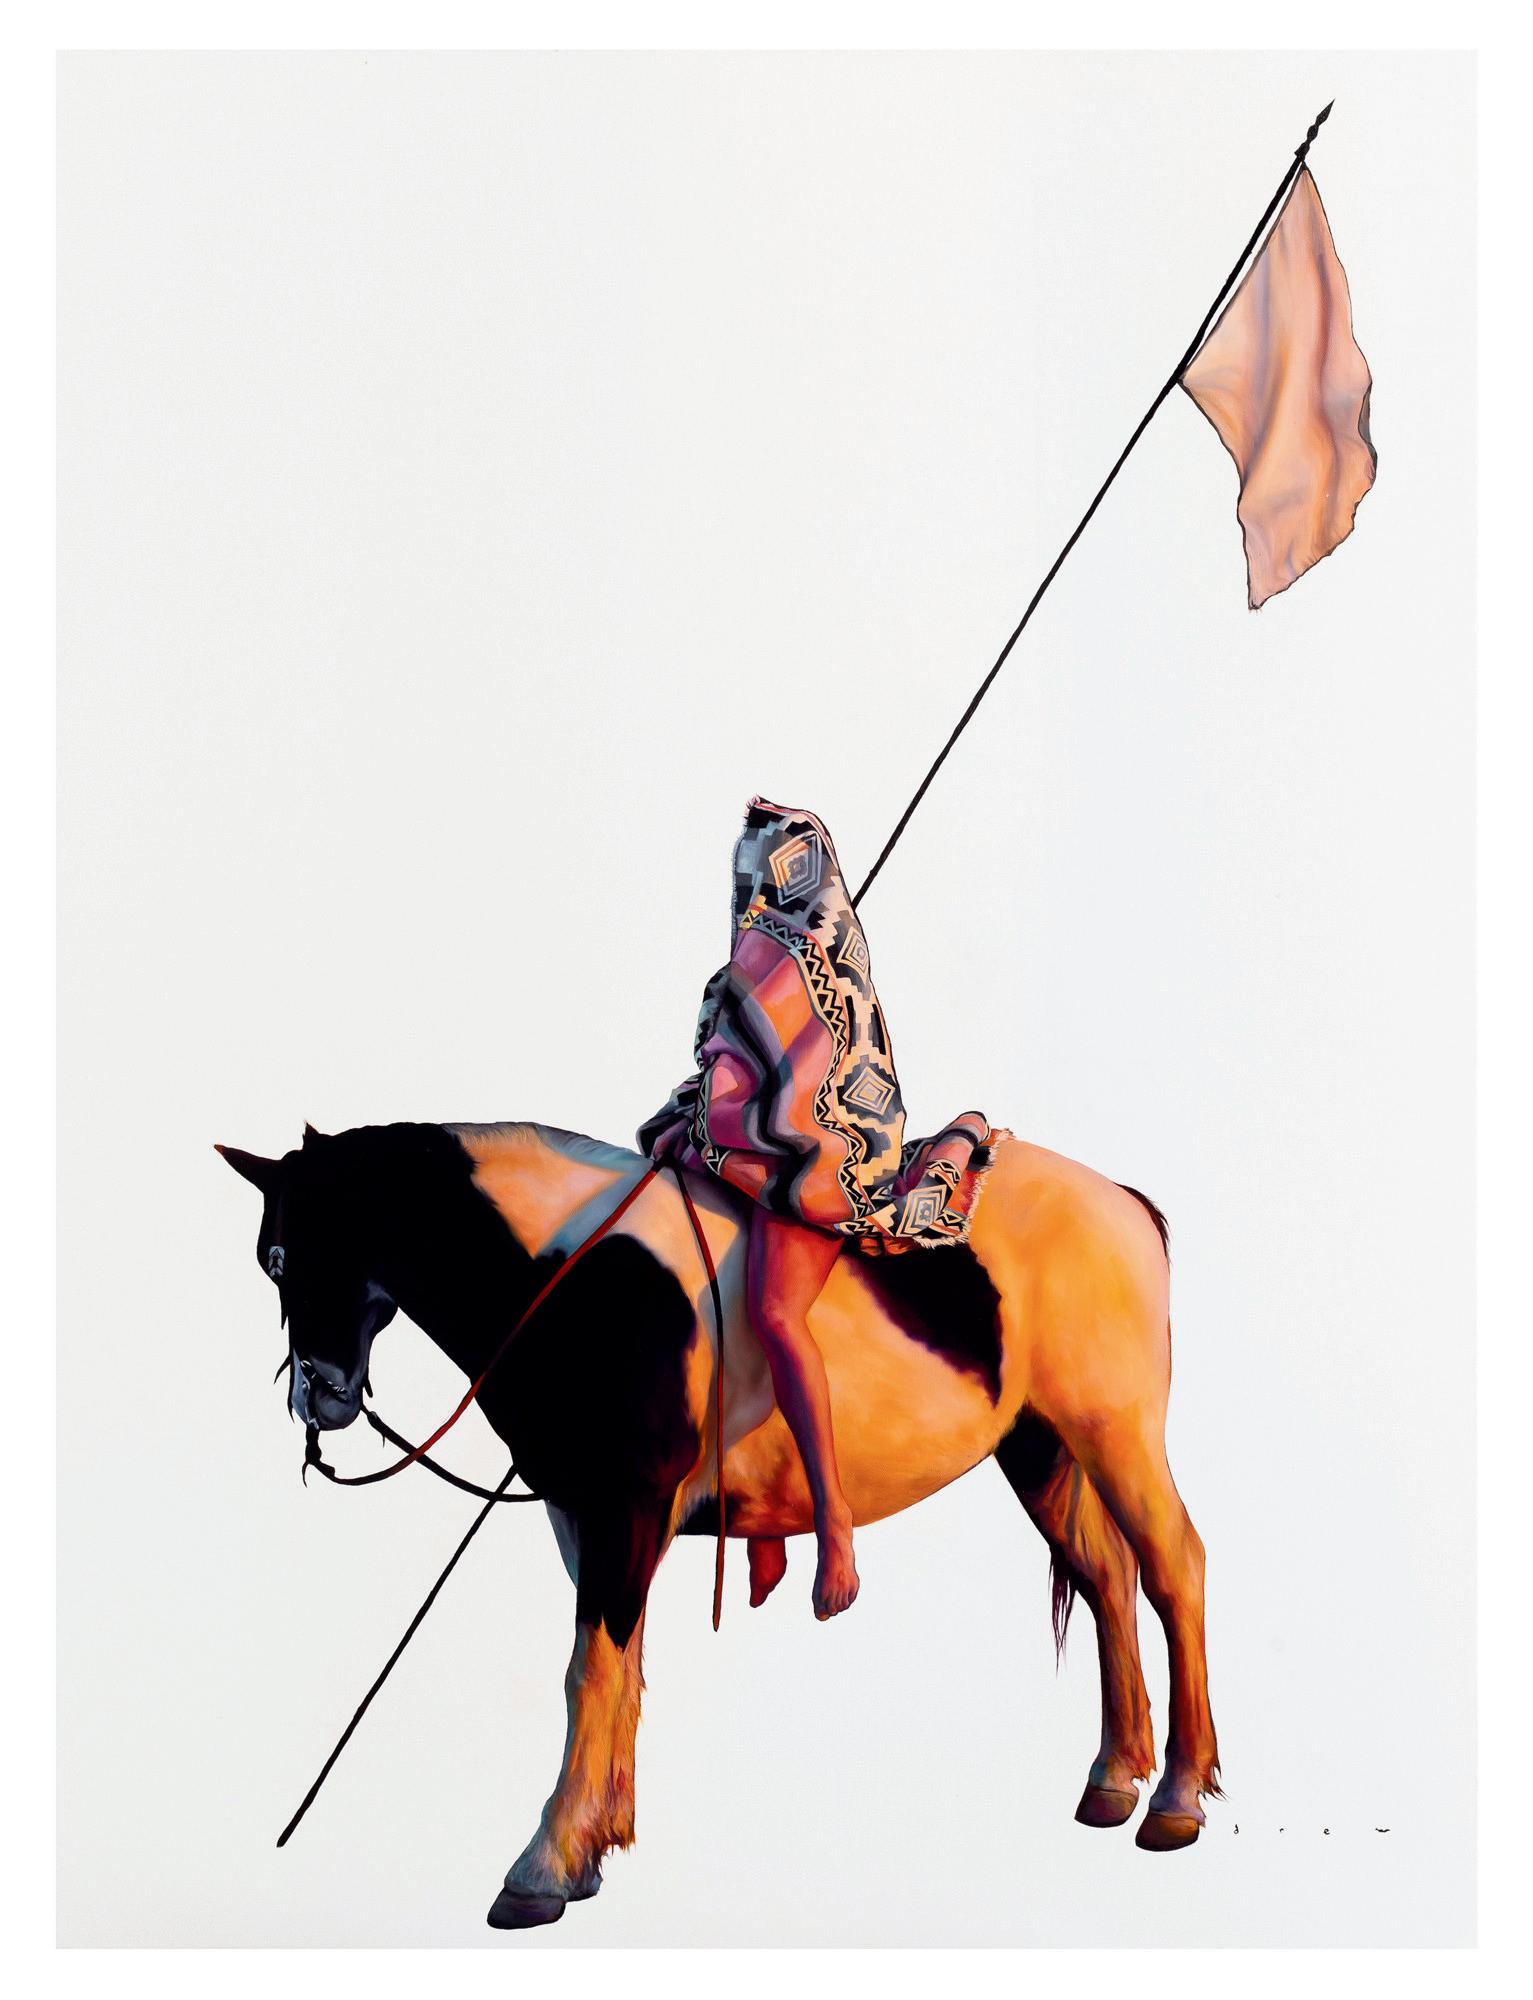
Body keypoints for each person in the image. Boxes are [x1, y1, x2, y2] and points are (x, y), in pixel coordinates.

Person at [639, 799, 993, 1619]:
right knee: (698, 1270)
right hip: (747, 1148)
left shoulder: (832, 973)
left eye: (767, 869)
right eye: (748, 871)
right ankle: (763, 1519)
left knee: (774, 1310)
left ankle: (832, 1521)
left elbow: (840, 1083)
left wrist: (763, 1119)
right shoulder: (742, 970)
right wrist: (707, 1113)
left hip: (819, 1153)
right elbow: (722, 1058)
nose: (753, 888)